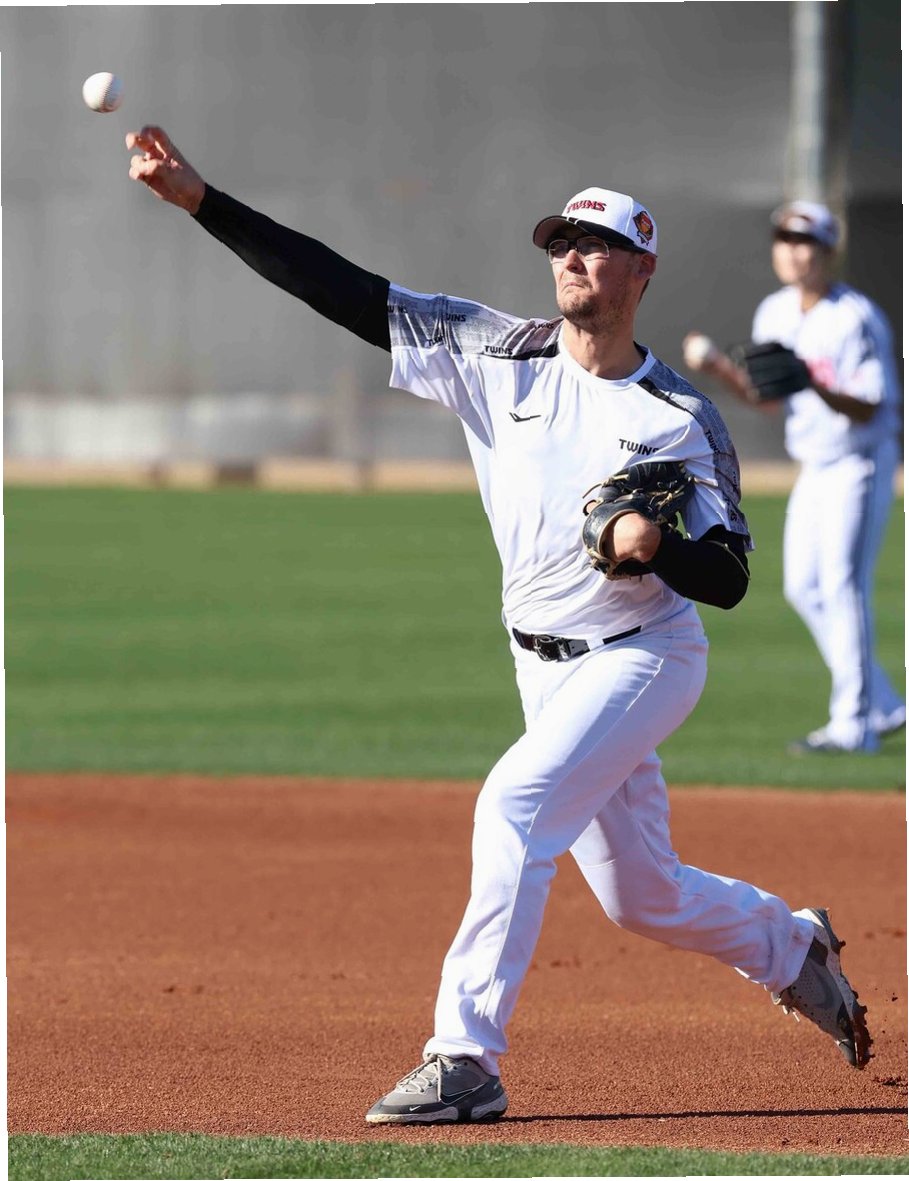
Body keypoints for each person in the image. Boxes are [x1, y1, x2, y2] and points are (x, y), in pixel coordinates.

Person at [126, 129, 872, 1123]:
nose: (572, 256)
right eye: (561, 242)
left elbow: (730, 576)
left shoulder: (677, 416)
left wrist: (657, 545)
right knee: (642, 895)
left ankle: (464, 1057)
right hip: (540, 665)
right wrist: (202, 202)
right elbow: (345, 292)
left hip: (644, 655)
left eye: (596, 244)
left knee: (514, 806)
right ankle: (792, 945)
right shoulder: (494, 353)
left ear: (642, 269)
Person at [683, 201, 904, 755]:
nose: (792, 251)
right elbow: (768, 398)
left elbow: (872, 408)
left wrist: (812, 382)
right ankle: (882, 703)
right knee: (802, 587)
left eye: (804, 241)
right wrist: (719, 369)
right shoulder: (776, 312)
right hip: (814, 463)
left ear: (828, 252)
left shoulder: (855, 318)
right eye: (784, 239)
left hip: (860, 460)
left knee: (842, 584)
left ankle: (854, 726)